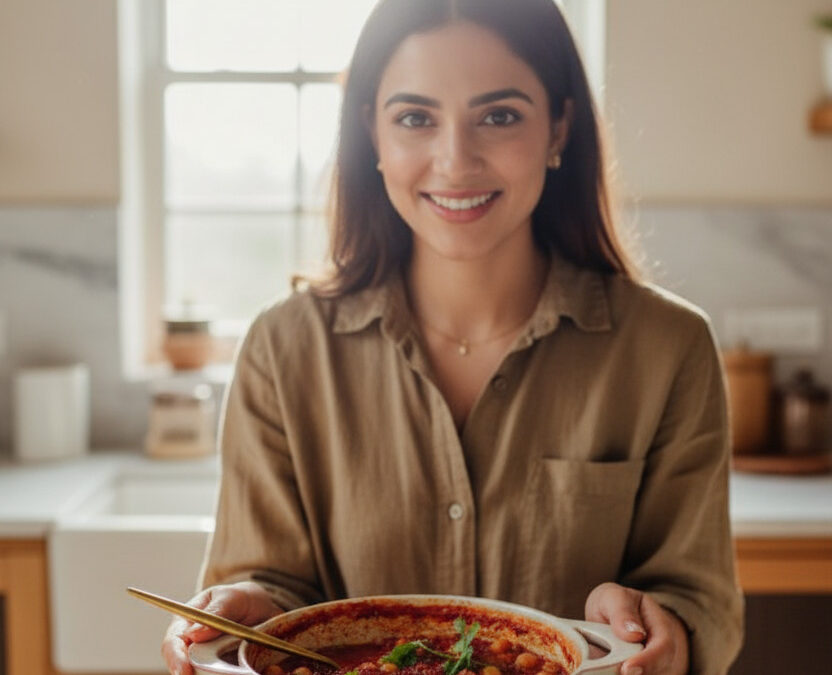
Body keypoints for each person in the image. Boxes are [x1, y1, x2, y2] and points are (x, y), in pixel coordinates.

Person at [162, 1, 744, 673]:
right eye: (415, 118)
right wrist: (244, 609)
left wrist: (663, 626)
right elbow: (271, 591)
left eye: (499, 116)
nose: (454, 159)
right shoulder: (283, 347)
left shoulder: (669, 346)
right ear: (372, 134)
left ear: (560, 126)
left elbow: (704, 604)